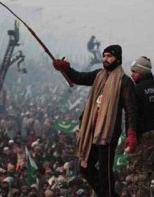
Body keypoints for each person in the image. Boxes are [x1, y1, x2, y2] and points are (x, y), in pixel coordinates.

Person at [53, 45, 138, 197]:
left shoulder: (124, 82)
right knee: (85, 167)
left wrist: (131, 132)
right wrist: (66, 69)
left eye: (109, 56)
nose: (105, 59)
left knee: (105, 171)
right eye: (104, 55)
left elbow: (131, 110)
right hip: (93, 130)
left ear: (118, 59)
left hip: (109, 133)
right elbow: (79, 78)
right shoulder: (99, 75)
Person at [128, 56, 154, 196]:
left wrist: (131, 134)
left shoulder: (137, 90)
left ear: (142, 72)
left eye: (135, 71)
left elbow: (133, 115)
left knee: (141, 175)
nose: (132, 74)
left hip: (144, 138)